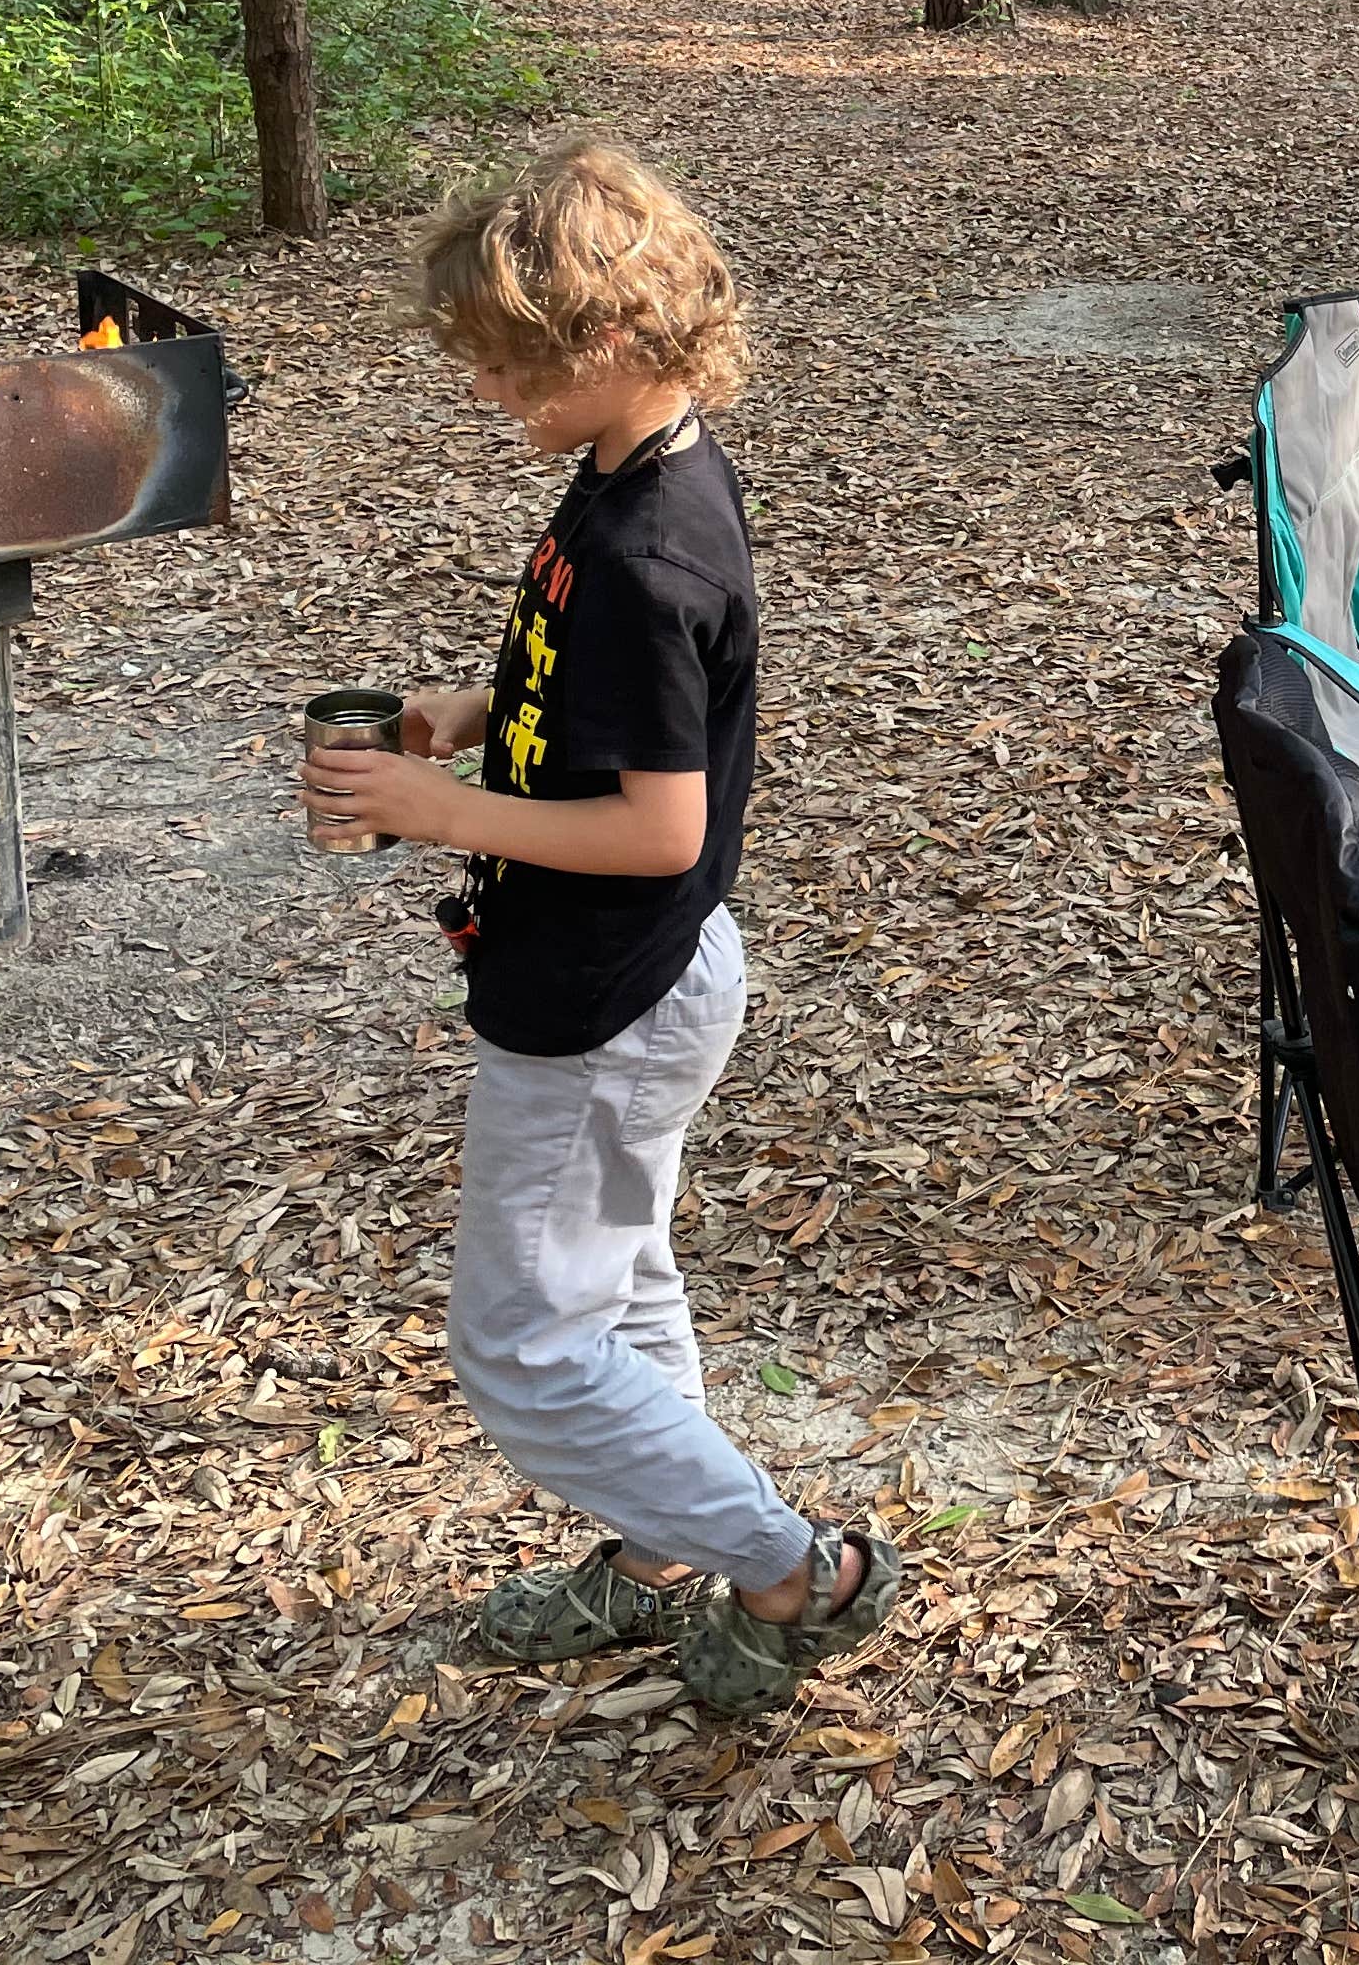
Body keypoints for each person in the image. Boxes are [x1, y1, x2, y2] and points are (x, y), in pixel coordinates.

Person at [298, 136, 900, 1714]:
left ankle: (791, 1571)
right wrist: (479, 711)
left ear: (614, 338)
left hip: (603, 996)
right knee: (620, 1281)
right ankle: (658, 1553)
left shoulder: (646, 548)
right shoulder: (644, 463)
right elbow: (625, 713)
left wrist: (441, 811)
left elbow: (660, 827)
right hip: (637, 976)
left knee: (522, 1344)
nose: (489, 391)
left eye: (511, 365)